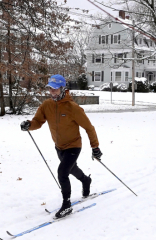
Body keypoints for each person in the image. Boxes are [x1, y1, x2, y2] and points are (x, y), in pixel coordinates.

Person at [21, 75, 102, 219]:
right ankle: (85, 180)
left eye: (55, 89)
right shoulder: (47, 105)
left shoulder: (73, 108)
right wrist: (29, 125)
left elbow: (89, 128)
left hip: (74, 146)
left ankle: (66, 205)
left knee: (62, 172)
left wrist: (95, 147)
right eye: (50, 88)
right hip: (59, 146)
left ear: (63, 89)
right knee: (71, 169)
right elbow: (38, 121)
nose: (52, 92)